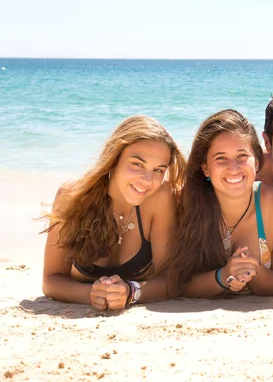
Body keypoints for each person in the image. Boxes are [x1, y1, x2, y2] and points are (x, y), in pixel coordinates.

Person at [42, 115, 186, 310]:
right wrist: (91, 294)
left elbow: (170, 280)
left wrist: (131, 292)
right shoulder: (73, 196)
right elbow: (51, 281)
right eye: (137, 164)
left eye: (159, 170)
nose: (147, 179)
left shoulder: (160, 198)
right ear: (114, 158)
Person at [165, 109, 273, 297]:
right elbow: (176, 284)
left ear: (256, 162)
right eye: (221, 158)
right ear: (205, 168)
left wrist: (252, 272)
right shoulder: (185, 203)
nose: (233, 168)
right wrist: (223, 276)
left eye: (242, 156)